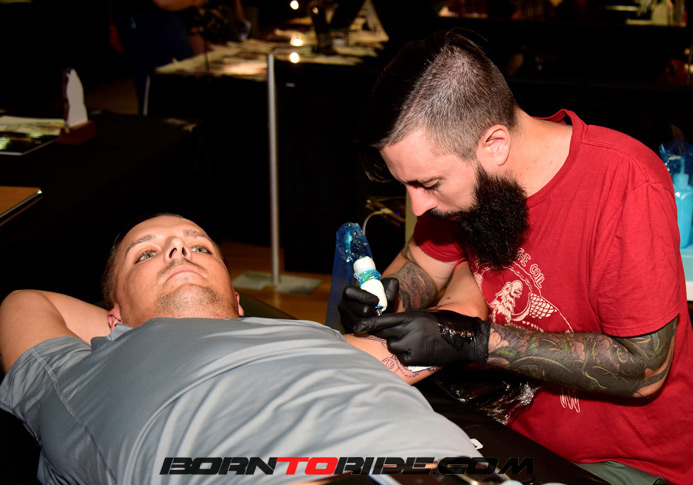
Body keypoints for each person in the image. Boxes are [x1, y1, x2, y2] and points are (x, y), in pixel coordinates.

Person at [339, 29, 693, 485]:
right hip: (510, 429)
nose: (418, 206)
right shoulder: (469, 180)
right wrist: (388, 299)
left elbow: (644, 369)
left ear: (495, 144)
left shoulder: (624, 184)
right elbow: (423, 264)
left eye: (428, 184)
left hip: (624, 459)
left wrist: (475, 341)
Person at [0, 214, 479, 484]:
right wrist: (124, 331)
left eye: (200, 247)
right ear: (112, 315)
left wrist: (471, 246)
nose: (178, 251)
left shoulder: (318, 341)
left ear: (236, 299)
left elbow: (457, 319)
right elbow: (26, 301)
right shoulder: (82, 378)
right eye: (146, 253)